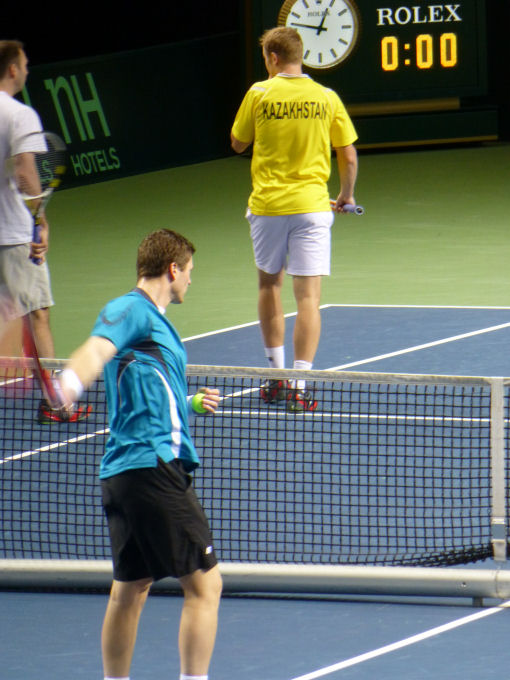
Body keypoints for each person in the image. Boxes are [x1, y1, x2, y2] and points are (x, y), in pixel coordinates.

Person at [58, 228, 222, 680]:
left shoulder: (152, 324)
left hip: (124, 472)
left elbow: (144, 389)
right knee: (206, 585)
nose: (191, 280)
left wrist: (189, 403)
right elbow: (96, 349)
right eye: (189, 271)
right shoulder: (132, 309)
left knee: (130, 588)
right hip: (153, 468)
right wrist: (69, 383)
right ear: (173, 269)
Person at [231, 27, 358, 412]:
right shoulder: (327, 96)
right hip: (313, 208)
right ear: (299, 56)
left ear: (272, 58)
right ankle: (300, 387)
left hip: (268, 208)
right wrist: (346, 196)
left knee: (270, 286)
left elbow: (237, 143)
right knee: (309, 299)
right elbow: (348, 156)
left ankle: (276, 378)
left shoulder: (258, 93)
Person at [0, 40, 85, 423]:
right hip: (13, 235)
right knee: (38, 314)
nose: (28, 69)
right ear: (12, 69)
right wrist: (40, 219)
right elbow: (25, 169)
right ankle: (57, 404)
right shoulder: (19, 115)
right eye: (25, 64)